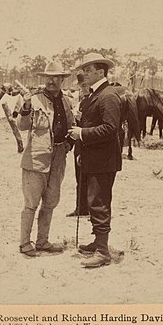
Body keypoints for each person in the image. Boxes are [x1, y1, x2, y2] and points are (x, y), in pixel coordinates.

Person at [68, 52, 123, 268]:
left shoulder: (108, 96)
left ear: (101, 72)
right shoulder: (93, 95)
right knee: (94, 202)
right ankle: (97, 242)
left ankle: (102, 252)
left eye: (88, 70)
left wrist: (82, 133)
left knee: (99, 203)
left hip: (104, 161)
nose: (84, 74)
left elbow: (110, 129)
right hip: (95, 158)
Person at [16, 61, 75, 257]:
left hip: (58, 158)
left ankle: (42, 241)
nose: (51, 81)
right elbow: (22, 126)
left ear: (61, 80)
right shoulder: (33, 100)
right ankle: (25, 243)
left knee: (51, 201)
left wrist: (69, 144)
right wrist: (25, 107)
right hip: (36, 159)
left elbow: (71, 125)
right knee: (31, 203)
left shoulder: (66, 101)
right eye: (48, 77)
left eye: (56, 78)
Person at [66, 70, 91, 217]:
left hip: (89, 144)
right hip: (80, 144)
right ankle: (81, 208)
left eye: (85, 85)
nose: (83, 89)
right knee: (80, 177)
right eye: (82, 86)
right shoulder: (82, 102)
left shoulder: (96, 100)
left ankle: (91, 210)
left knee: (91, 179)